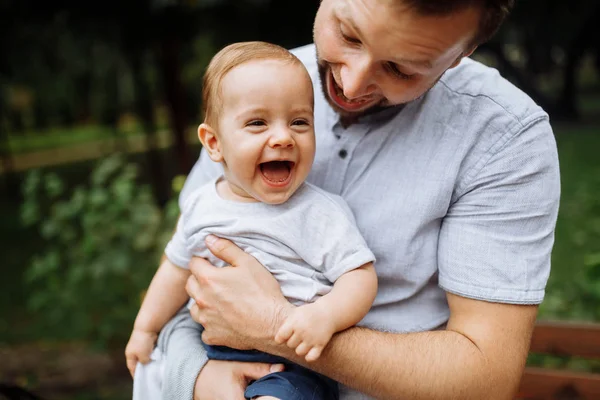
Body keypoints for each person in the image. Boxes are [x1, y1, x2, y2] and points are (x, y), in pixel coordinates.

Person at [148, 0, 562, 399]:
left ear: (460, 54)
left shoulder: (504, 137)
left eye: (401, 68)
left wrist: (274, 327)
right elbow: (190, 280)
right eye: (348, 35)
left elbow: (485, 382)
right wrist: (196, 376)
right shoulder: (250, 85)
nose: (351, 84)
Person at [125, 41, 378, 400]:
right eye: (258, 123)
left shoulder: (319, 212)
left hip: (295, 367)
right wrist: (144, 329)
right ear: (214, 143)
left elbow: (360, 277)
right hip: (216, 352)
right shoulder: (202, 206)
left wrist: (326, 317)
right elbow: (175, 271)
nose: (283, 137)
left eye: (299, 122)